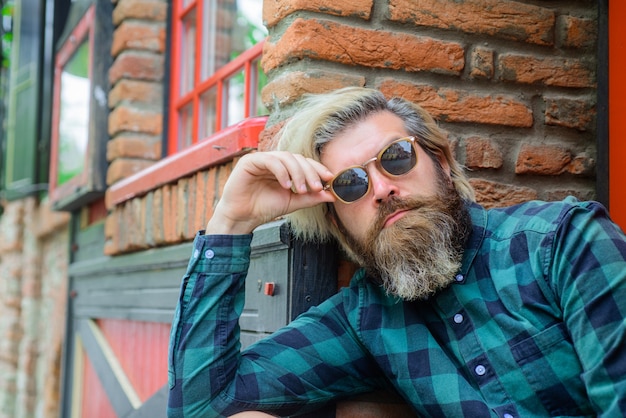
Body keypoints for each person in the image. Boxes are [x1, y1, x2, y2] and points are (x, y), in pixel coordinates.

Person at [167, 87, 626, 417]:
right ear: (338, 223)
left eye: (396, 158)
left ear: (442, 163)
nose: (383, 189)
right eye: (351, 184)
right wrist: (232, 222)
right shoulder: (365, 320)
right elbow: (205, 405)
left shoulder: (563, 242)